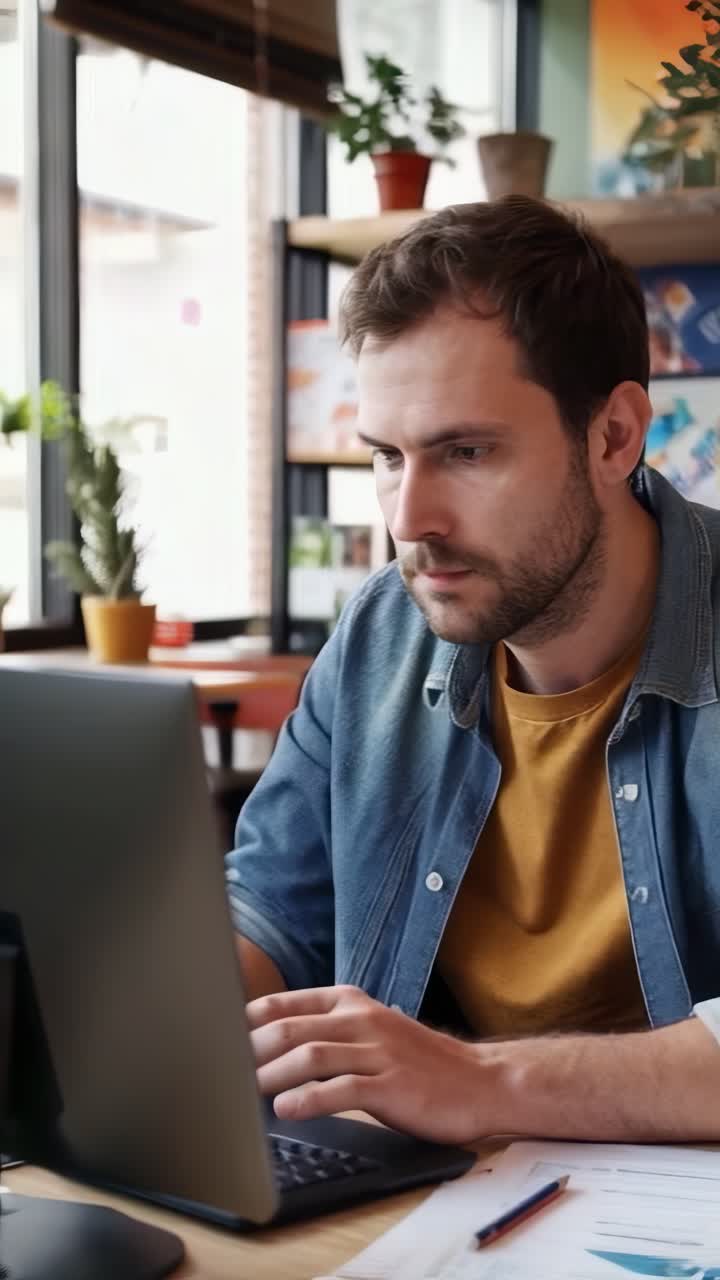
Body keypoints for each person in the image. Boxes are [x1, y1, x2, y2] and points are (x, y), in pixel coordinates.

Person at [226, 196, 720, 1147]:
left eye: (466, 451)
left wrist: (484, 1080)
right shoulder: (381, 631)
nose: (410, 518)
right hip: (434, 1203)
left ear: (615, 436)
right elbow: (270, 918)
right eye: (385, 457)